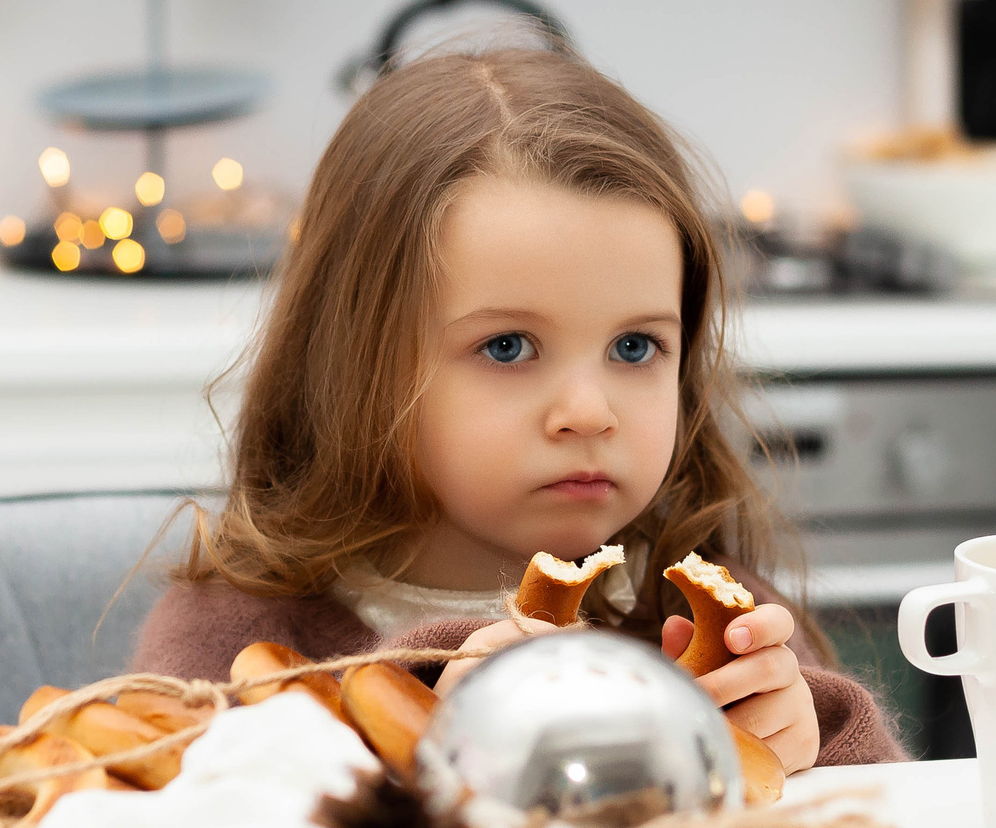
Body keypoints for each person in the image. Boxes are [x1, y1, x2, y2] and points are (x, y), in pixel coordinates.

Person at [128, 47, 902, 772]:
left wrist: (811, 741)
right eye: (507, 348)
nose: (588, 413)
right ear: (351, 365)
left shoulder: (713, 624)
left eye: (635, 348)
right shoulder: (233, 638)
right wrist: (416, 735)